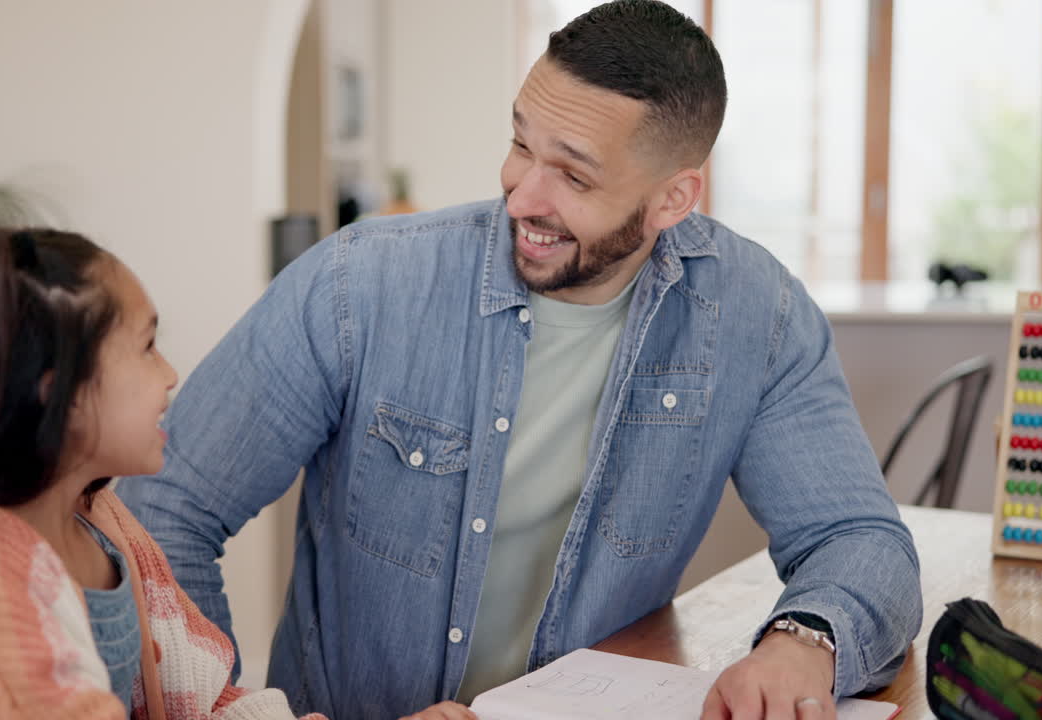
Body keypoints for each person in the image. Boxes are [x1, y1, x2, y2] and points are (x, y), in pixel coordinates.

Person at [119, 2, 923, 719]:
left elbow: (860, 538)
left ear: (673, 201)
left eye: (572, 173)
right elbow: (160, 513)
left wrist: (802, 639)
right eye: (518, 143)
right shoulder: (359, 284)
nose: (521, 193)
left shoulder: (759, 316)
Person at [0, 229, 326, 720]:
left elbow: (207, 698)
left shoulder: (103, 523)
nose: (170, 373)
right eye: (148, 345)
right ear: (64, 395)